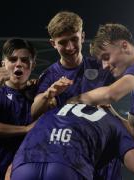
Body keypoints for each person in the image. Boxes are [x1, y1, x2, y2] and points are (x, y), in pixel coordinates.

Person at [31, 11, 124, 180]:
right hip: (71, 159)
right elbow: (34, 110)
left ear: (82, 36)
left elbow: (132, 74)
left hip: (106, 157)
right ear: (53, 43)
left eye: (74, 39)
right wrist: (48, 94)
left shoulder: (102, 65)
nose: (70, 47)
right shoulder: (49, 75)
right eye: (63, 42)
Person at [10, 103, 134, 180]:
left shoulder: (51, 113)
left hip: (23, 167)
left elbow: (13, 165)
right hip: (67, 168)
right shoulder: (116, 126)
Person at [67, 23, 134, 145]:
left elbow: (110, 94)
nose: (104, 66)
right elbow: (132, 133)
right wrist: (111, 112)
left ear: (124, 46)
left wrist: (70, 101)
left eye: (106, 57)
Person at [0, 38, 37, 179]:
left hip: (35, 171)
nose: (19, 64)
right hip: (2, 171)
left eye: (25, 60)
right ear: (3, 64)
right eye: (13, 60)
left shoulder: (40, 94)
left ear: (33, 65)